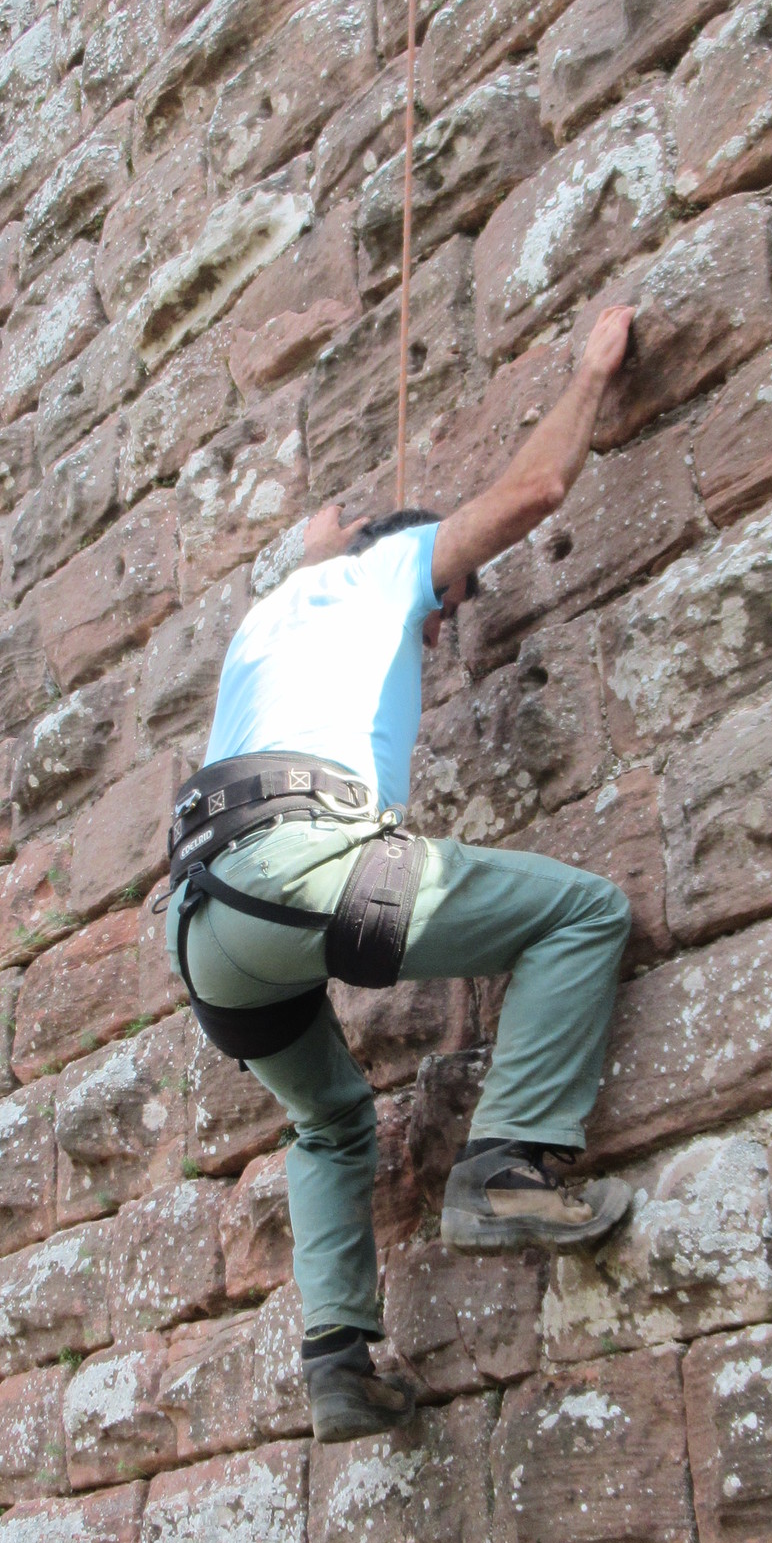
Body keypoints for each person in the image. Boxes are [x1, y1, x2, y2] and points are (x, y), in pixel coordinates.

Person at [166, 304, 640, 1441]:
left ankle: (337, 1358)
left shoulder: (272, 614)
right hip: (309, 873)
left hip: (209, 937)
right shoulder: (385, 578)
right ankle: (508, 1169)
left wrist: (316, 547)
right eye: (448, 606)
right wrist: (590, 372)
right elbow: (531, 494)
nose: (439, 628)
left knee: (330, 1121)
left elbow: (310, 567)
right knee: (582, 913)